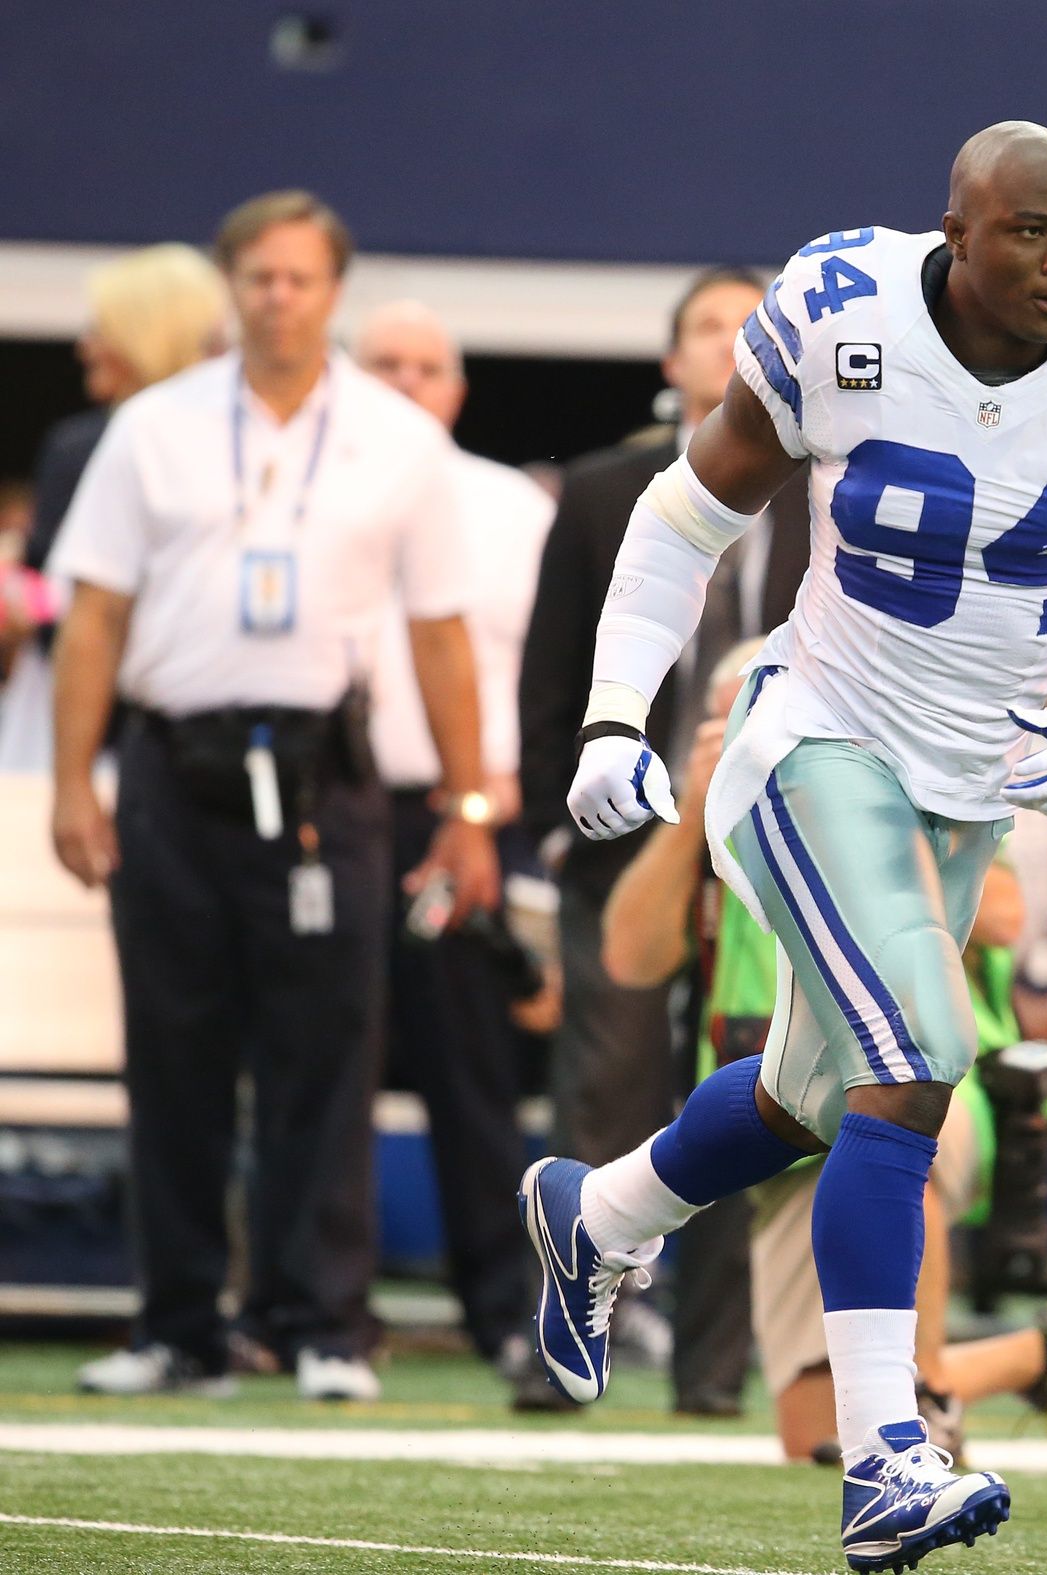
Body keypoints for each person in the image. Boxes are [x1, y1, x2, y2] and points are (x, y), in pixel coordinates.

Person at [515, 122, 1047, 1572]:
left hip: (969, 779)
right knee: (914, 1060)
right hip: (812, 736)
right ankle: (885, 1455)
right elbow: (682, 516)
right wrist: (612, 719)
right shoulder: (843, 315)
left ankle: (597, 1211)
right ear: (954, 235)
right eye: (1030, 233)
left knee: (808, 1100)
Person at [47, 191, 496, 1402]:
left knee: (326, 1049)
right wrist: (76, 782)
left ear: (332, 292)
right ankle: (180, 1325)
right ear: (229, 288)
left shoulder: (397, 440)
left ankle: (323, 1325)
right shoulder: (154, 426)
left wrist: (466, 810)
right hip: (171, 767)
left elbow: (443, 635)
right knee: (174, 1049)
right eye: (259, 278)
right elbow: (92, 617)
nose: (279, 299)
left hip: (322, 780)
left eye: (300, 279)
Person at [599, 647, 1047, 1468]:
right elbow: (627, 960)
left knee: (897, 1380)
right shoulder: (731, 823)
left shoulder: (898, 785)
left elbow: (1009, 917)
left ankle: (918, 1426)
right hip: (775, 1112)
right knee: (811, 1433)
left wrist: (871, 857)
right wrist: (697, 815)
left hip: (925, 1089)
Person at [516, 264, 777, 1384]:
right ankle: (566, 1336)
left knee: (747, 1074)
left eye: (749, 327)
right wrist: (550, 831)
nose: (727, 343)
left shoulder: (825, 493)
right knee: (607, 1077)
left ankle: (715, 1366)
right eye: (706, 327)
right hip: (622, 834)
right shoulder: (601, 489)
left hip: (775, 840)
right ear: (671, 360)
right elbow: (548, 676)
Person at [352, 300, 560, 1407]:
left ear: (456, 388)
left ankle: (502, 1312)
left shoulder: (501, 507)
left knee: (470, 1076)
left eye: (425, 367)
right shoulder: (314, 493)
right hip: (327, 811)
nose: (405, 383)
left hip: (465, 816)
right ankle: (316, 1316)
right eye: (383, 363)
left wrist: (483, 807)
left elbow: (540, 678)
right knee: (316, 1069)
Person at [8, 246, 231, 773]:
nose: (85, 346)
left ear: (144, 333)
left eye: (100, 327)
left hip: (110, 742)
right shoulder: (236, 442)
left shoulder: (89, 447)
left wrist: (25, 602)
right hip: (207, 739)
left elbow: (62, 609)